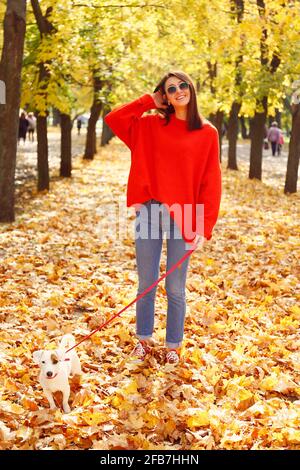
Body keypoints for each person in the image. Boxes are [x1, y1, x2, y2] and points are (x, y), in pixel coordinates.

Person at [104, 71, 222, 365]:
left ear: (191, 89)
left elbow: (211, 181)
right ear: (165, 96)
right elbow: (114, 119)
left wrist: (204, 226)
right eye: (171, 89)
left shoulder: (207, 132)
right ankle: (143, 339)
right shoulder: (150, 125)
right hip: (149, 211)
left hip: (186, 215)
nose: (179, 90)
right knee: (146, 282)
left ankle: (173, 345)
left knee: (175, 287)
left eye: (183, 85)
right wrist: (148, 101)